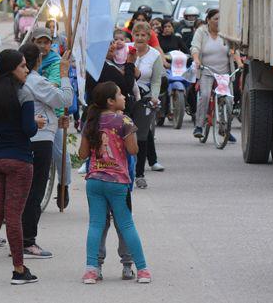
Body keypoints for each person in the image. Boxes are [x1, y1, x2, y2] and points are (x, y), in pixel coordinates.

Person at [0, 49, 44, 286]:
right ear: (11, 69)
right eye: (23, 66)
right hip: (19, 160)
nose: (27, 69)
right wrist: (35, 123)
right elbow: (28, 130)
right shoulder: (24, 93)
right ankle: (18, 269)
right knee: (13, 216)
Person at [78, 82, 151, 284]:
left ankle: (91, 270)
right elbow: (134, 150)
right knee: (126, 225)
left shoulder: (91, 122)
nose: (124, 97)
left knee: (96, 225)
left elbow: (82, 154)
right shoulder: (124, 120)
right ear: (111, 101)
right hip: (118, 182)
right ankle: (142, 269)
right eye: (120, 94)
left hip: (94, 180)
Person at [19, 42, 73, 259]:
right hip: (39, 140)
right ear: (38, 60)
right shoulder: (35, 81)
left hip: (32, 136)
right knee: (34, 191)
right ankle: (27, 240)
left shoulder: (21, 81)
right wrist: (64, 74)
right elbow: (65, 99)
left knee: (25, 191)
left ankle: (20, 237)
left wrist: (55, 121)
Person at [191, 9, 241, 141]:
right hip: (207, 71)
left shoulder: (226, 33)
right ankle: (199, 126)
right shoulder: (201, 32)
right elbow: (195, 47)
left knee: (229, 100)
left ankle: (225, 129)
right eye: (215, 19)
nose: (218, 22)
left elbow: (234, 50)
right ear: (208, 20)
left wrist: (239, 63)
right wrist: (196, 59)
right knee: (205, 95)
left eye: (220, 19)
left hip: (224, 74)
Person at [131, 22, 164, 188]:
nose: (139, 38)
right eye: (137, 35)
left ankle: (139, 174)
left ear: (149, 37)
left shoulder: (154, 55)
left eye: (143, 35)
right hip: (125, 96)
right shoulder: (127, 49)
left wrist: (154, 97)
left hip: (144, 98)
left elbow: (156, 80)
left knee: (142, 136)